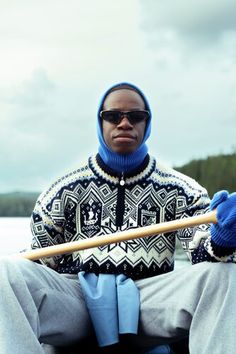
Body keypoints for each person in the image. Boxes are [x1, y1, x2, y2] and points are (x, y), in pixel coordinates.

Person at [0, 82, 236, 354]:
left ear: (147, 123)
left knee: (224, 274)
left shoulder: (183, 190)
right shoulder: (62, 190)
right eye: (113, 116)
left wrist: (221, 240)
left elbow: (202, 255)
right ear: (100, 123)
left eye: (135, 116)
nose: (124, 123)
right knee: (7, 270)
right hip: (78, 304)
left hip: (148, 303)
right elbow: (40, 262)